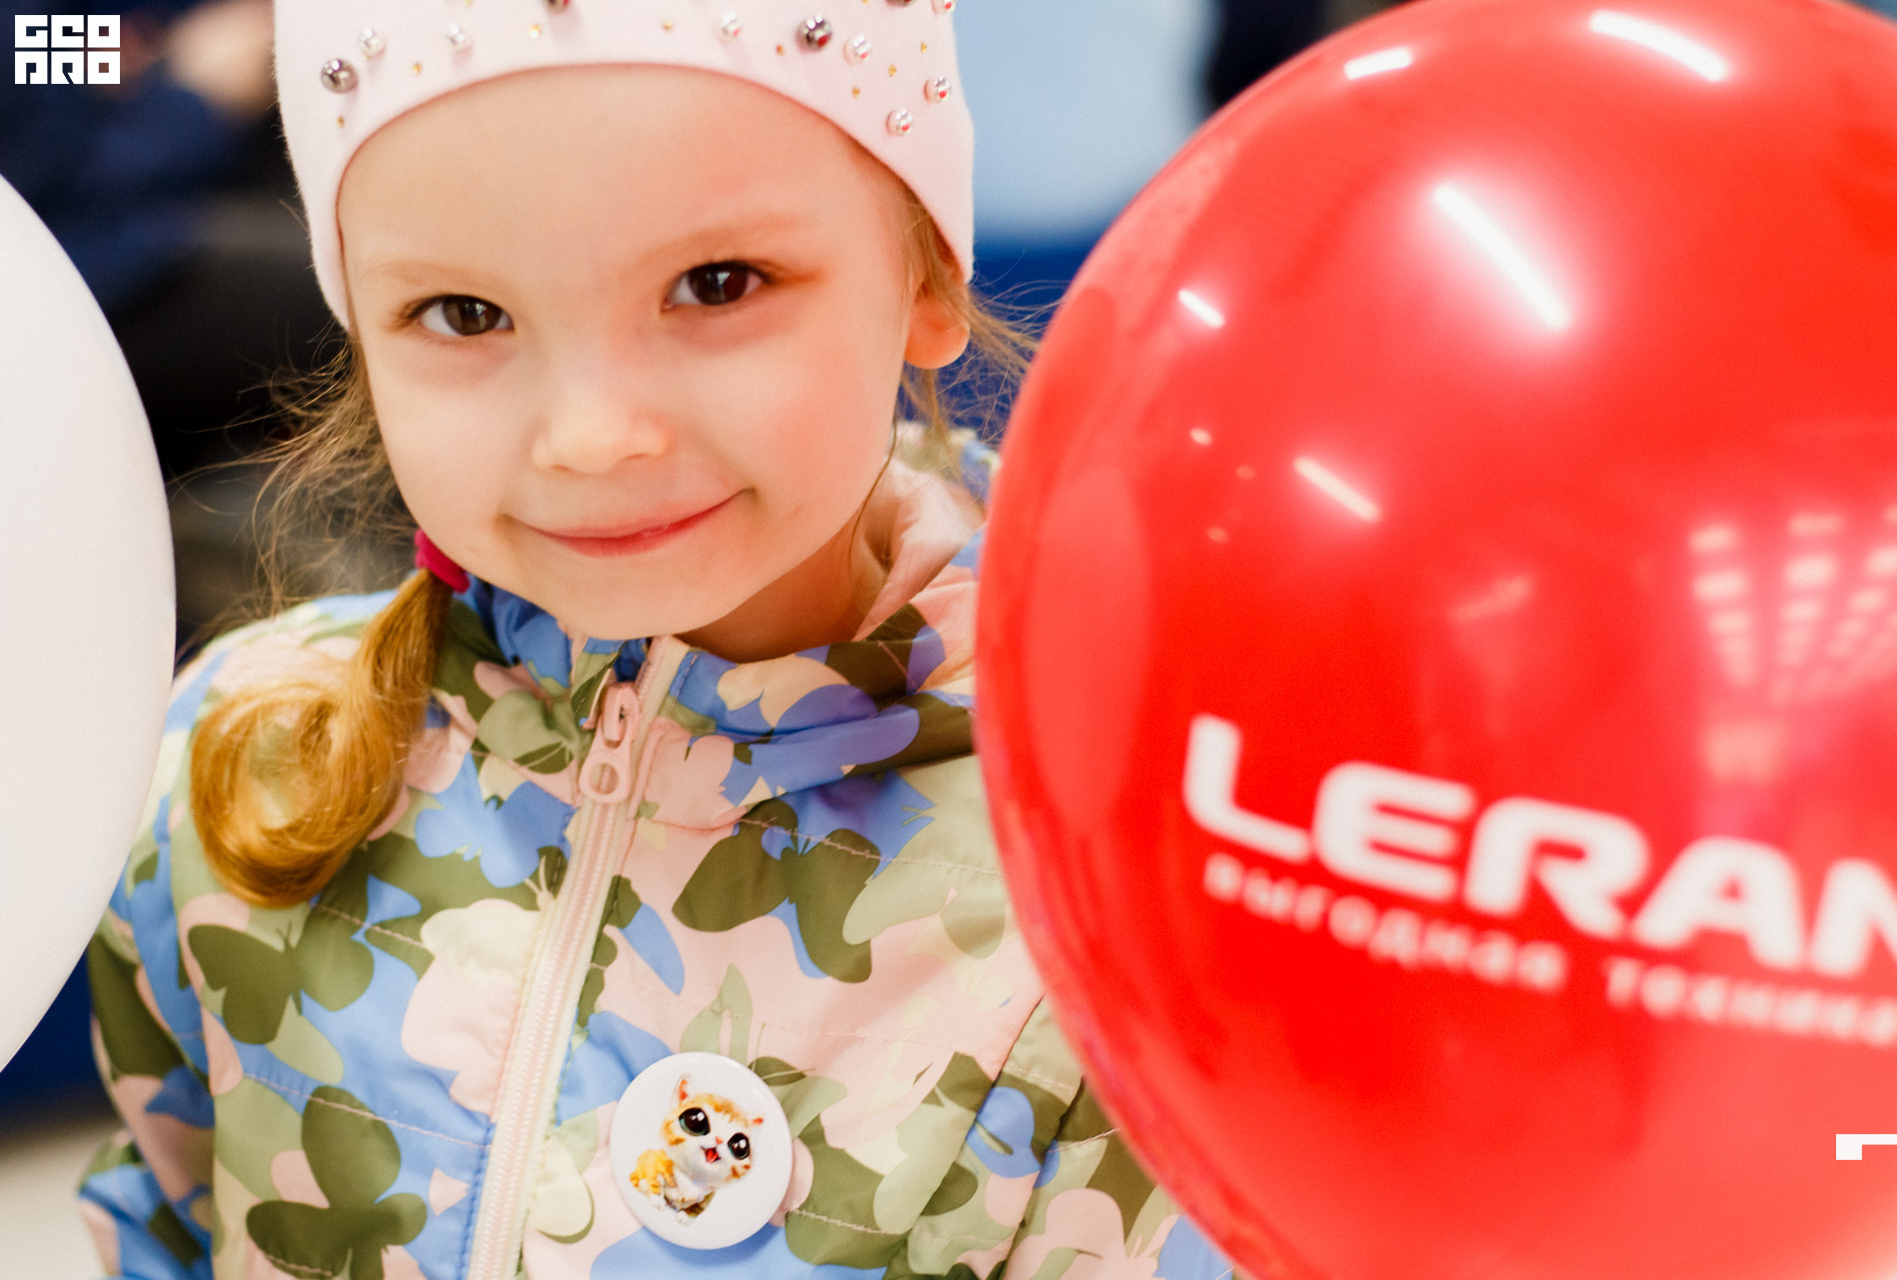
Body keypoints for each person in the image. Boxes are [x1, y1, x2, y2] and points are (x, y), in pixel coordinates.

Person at [75, 3, 1240, 1278]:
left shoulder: (1110, 880)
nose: (591, 435)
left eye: (716, 284)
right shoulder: (239, 755)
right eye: (464, 312)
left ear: (926, 276)